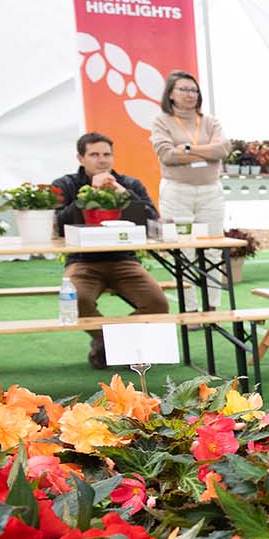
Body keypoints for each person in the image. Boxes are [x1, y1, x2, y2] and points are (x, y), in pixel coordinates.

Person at [52, 133, 168, 368]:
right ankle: (114, 346)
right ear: (81, 158)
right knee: (77, 300)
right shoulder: (65, 185)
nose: (102, 160)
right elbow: (57, 226)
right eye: (94, 154)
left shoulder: (130, 184)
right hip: (82, 262)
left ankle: (105, 346)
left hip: (124, 260)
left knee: (158, 304)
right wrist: (88, 195)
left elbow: (151, 220)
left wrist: (122, 192)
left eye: (107, 154)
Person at [148, 71, 231, 305]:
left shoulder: (209, 121)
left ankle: (213, 306)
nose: (190, 94)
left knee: (213, 248)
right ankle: (190, 309)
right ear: (171, 94)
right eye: (183, 89)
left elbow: (223, 149)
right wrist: (206, 150)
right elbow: (167, 155)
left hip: (210, 190)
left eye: (194, 90)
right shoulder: (161, 121)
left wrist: (185, 149)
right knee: (183, 250)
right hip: (177, 190)